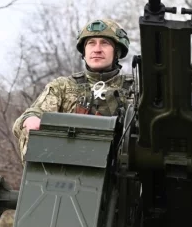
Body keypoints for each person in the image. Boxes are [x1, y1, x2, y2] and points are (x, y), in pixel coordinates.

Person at [12, 18, 134, 162]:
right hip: (68, 169)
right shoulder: (63, 86)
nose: (97, 49)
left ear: (117, 51)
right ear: (84, 51)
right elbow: (27, 118)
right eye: (91, 43)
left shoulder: (135, 88)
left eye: (105, 43)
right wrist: (30, 120)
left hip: (124, 171)